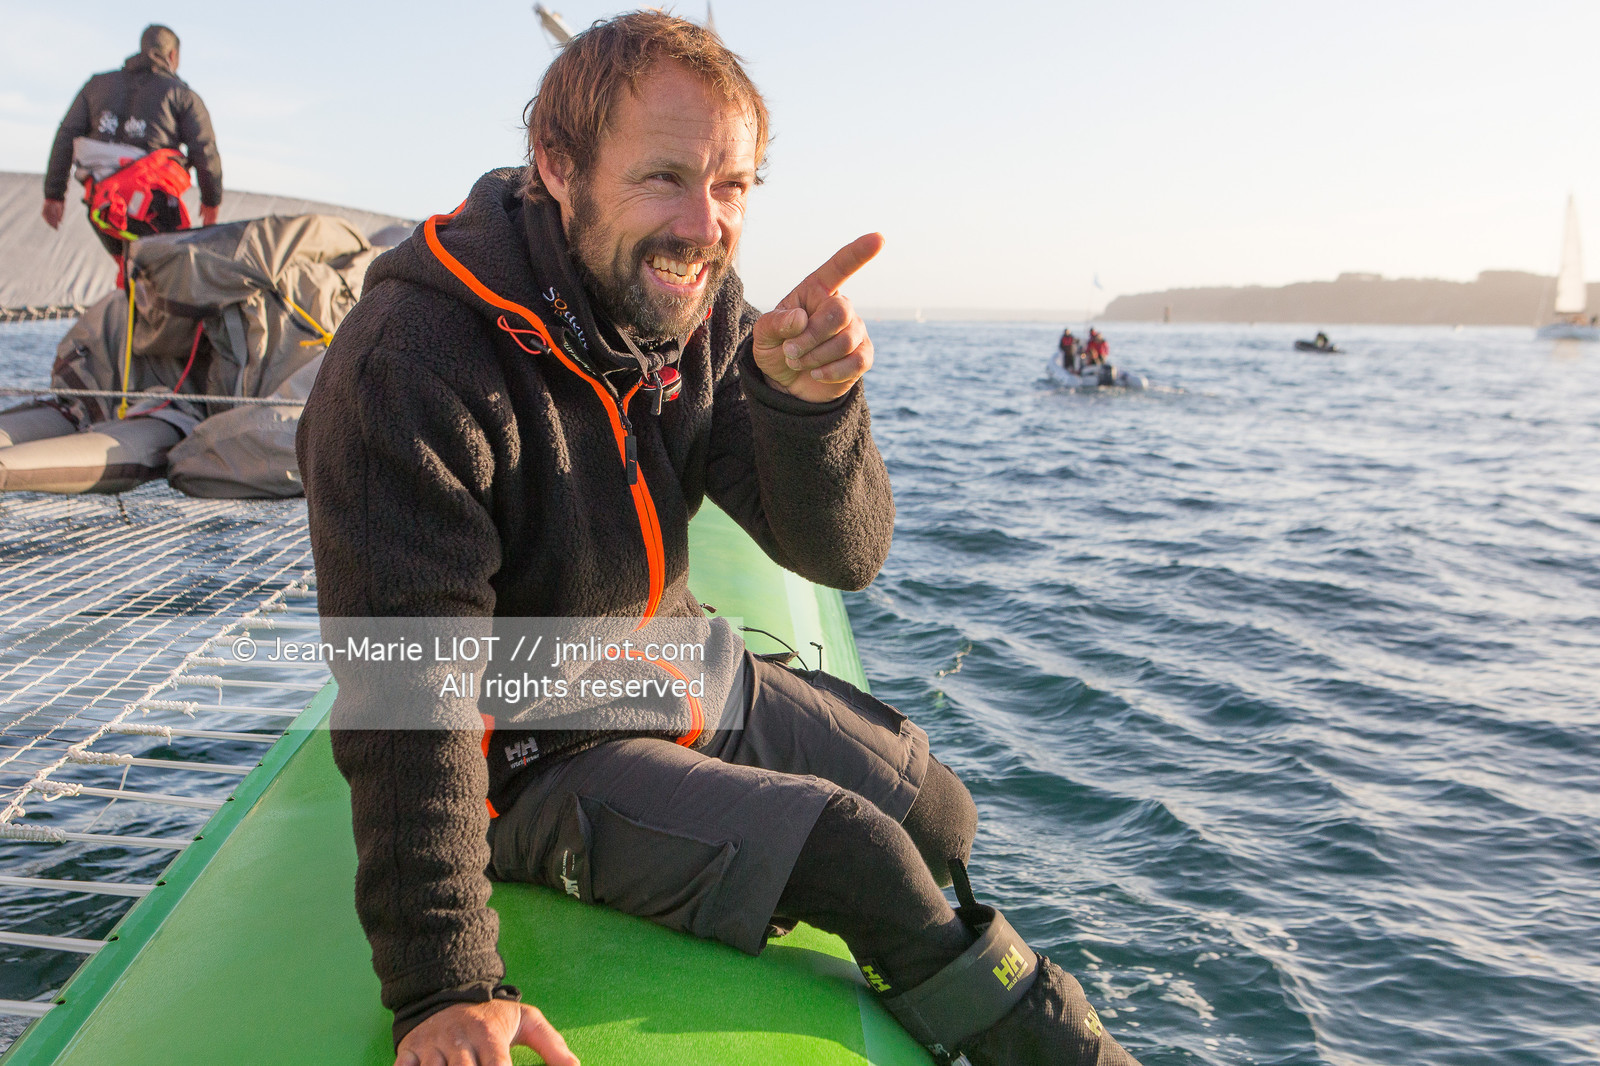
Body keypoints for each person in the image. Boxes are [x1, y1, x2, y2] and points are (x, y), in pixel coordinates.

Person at [298, 13, 1141, 1066]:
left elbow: (845, 555)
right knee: (863, 859)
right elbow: (403, 690)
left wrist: (807, 409)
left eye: (733, 185)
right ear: (556, 168)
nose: (704, 225)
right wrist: (443, 984)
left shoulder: (692, 305)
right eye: (664, 178)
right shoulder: (412, 362)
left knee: (936, 812)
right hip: (515, 746)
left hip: (657, 668)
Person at [42, 24, 222, 263]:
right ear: (172, 56)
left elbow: (66, 135)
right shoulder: (182, 95)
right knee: (165, 270)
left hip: (103, 204)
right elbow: (204, 148)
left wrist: (54, 195)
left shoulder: (96, 85)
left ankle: (131, 291)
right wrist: (211, 201)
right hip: (152, 205)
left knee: (131, 265)